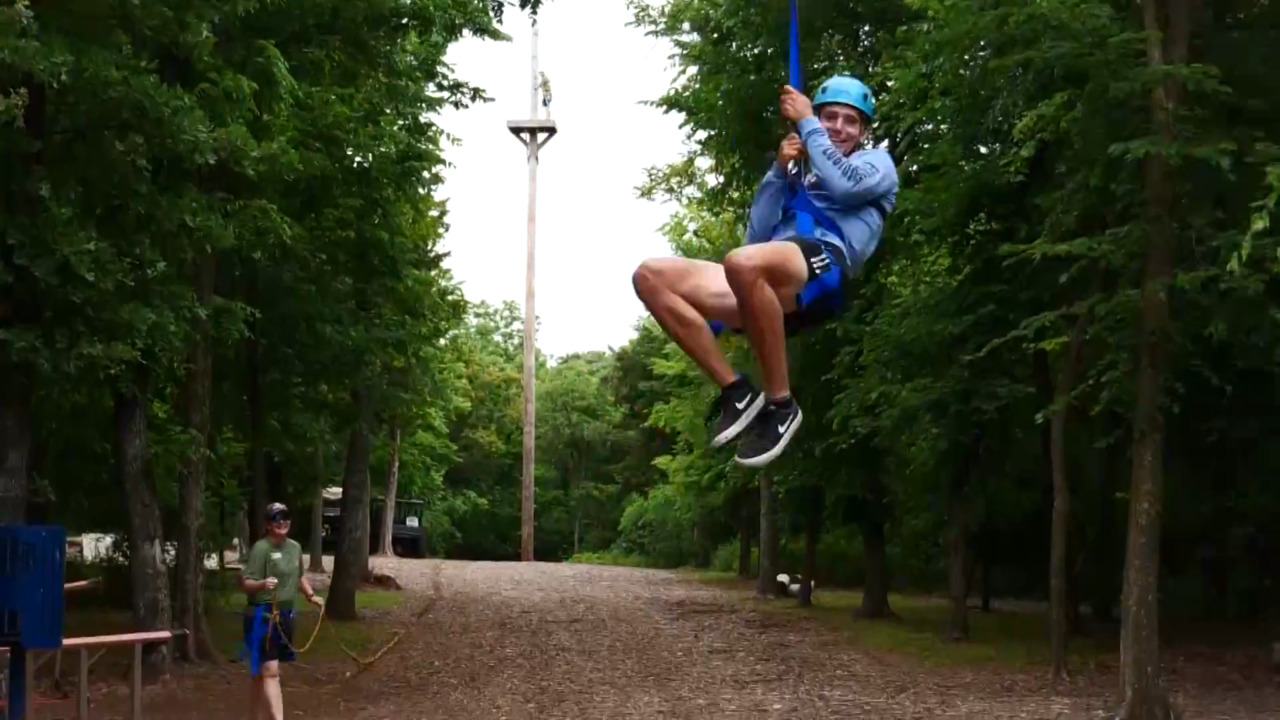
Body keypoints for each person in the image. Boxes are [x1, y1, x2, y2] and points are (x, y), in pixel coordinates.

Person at [632, 75, 898, 468]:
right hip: (768, 279)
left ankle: (781, 403)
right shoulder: (795, 171)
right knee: (650, 276)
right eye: (829, 118)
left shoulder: (877, 164)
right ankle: (736, 391)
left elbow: (843, 187)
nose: (839, 128)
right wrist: (778, 172)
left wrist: (807, 121)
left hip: (823, 270)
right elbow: (755, 238)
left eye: (850, 121)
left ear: (863, 131)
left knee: (743, 262)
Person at [240, 502, 324, 720]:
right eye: (277, 518)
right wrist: (261, 584)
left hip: (286, 615)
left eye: (285, 517)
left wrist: (310, 595)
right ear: (268, 524)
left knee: (261, 674)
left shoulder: (295, 548)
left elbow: (299, 576)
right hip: (261, 614)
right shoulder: (261, 548)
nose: (282, 522)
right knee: (271, 672)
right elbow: (247, 582)